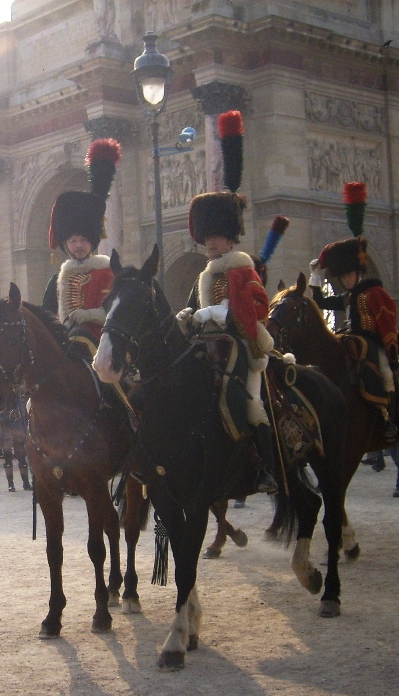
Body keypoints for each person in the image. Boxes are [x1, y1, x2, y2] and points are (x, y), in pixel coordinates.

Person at [177, 111, 277, 493]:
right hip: (210, 344)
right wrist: (188, 315)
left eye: (217, 237)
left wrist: (212, 312)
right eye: (207, 239)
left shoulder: (242, 270)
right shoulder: (206, 274)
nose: (212, 244)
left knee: (251, 400)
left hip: (243, 344)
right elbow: (195, 306)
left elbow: (254, 309)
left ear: (231, 239)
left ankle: (265, 465)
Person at [309, 181, 399, 441]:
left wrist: (391, 346)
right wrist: (316, 277)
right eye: (343, 275)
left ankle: (389, 417)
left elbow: (387, 319)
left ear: (359, 272)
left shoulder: (374, 293)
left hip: (374, 343)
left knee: (383, 372)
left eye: (349, 274)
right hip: (351, 339)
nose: (346, 279)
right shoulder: (350, 296)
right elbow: (322, 303)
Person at [46, 137, 120, 357]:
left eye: (83, 240)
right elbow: (47, 316)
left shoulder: (108, 272)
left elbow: (117, 311)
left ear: (92, 241)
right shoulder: (55, 281)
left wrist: (89, 316)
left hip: (103, 345)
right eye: (73, 241)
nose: (78, 246)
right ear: (65, 245)